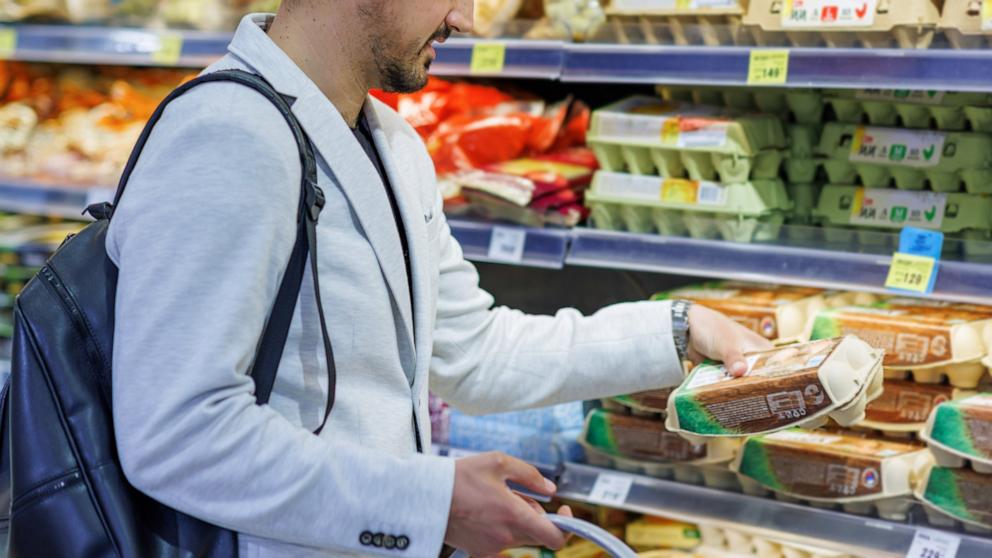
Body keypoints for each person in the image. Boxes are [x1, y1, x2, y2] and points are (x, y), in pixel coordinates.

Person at [107, 1, 771, 556]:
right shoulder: (227, 135)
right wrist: (429, 502)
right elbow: (177, 432)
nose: (467, 19)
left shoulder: (389, 141)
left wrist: (681, 330)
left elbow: (470, 352)